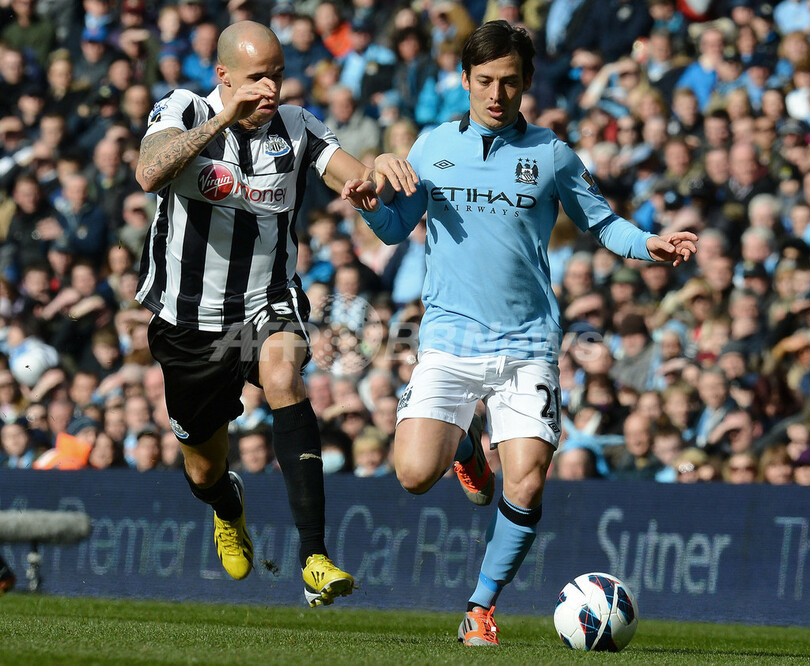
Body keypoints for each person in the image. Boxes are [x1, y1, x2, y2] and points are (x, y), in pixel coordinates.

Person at [343, 20, 697, 646]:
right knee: (413, 475)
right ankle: (465, 448)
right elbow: (397, 229)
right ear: (464, 80)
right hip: (450, 338)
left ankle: (480, 607)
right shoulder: (431, 146)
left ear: (528, 80)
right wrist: (370, 204)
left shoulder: (552, 154)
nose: (496, 94)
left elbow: (601, 222)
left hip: (527, 343)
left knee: (527, 480)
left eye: (509, 81)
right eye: (484, 81)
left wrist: (649, 244)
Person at [134, 20, 400, 608]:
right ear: (224, 76)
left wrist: (372, 173)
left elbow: (349, 172)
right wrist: (223, 120)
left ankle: (314, 557)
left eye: (277, 76)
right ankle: (227, 506)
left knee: (284, 376)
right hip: (188, 320)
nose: (271, 90)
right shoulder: (182, 109)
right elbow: (149, 172)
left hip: (267, 300)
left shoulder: (297, 125)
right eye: (257, 78)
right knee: (204, 472)